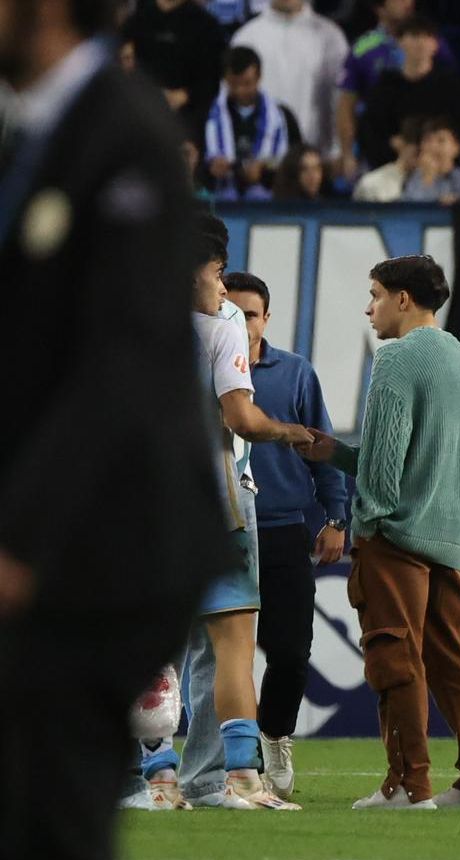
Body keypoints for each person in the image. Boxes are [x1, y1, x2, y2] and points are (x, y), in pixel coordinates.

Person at [0, 0, 233, 860]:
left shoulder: (124, 131)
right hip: (60, 532)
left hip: (108, 545)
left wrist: (23, 542)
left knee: (50, 837)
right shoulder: (32, 131)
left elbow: (119, 364)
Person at [299, 255, 460, 811]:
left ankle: (408, 785)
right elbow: (430, 455)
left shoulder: (394, 358)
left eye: (374, 295)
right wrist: (339, 454)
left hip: (397, 538)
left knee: (394, 660)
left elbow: (388, 471)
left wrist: (363, 521)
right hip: (451, 537)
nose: (368, 308)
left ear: (402, 299)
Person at [185, 215, 313, 813]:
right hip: (214, 492)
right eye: (216, 272)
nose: (220, 285)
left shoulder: (116, 308)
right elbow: (240, 419)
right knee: (232, 644)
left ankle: (156, 780)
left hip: (133, 493)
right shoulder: (224, 320)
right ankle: (236, 779)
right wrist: (287, 430)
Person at [224, 271, 347, 799]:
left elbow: (322, 446)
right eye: (231, 310)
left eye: (249, 313)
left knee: (291, 650)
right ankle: (235, 761)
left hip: (280, 529)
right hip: (221, 530)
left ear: (266, 318)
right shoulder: (203, 369)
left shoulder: (294, 373)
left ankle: (275, 737)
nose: (241, 321)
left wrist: (338, 517)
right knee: (223, 655)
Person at [230, 0, 349, 157]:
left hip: (317, 161)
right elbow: (232, 104)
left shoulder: (331, 37)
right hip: (261, 161)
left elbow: (340, 100)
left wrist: (337, 151)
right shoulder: (246, 38)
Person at [357, 17, 460, 171]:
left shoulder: (452, 89)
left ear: (435, 44)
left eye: (427, 37)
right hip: (392, 168)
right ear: (400, 42)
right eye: (414, 36)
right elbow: (371, 133)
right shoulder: (384, 88)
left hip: (442, 171)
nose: (421, 43)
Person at [204, 46, 301, 202]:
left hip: (270, 198)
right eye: (234, 84)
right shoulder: (209, 116)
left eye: (247, 83)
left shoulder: (282, 117)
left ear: (259, 78)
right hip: (220, 195)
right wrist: (211, 167)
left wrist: (265, 170)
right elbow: (197, 158)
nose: (241, 90)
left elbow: (296, 161)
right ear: (225, 80)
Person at [122, 0, 224, 137]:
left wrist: (185, 95)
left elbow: (213, 79)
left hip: (188, 121)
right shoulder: (136, 22)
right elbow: (120, 65)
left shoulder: (206, 26)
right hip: (138, 117)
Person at [400, 117, 460, 203]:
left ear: (456, 147)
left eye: (441, 140)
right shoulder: (412, 180)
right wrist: (429, 177)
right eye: (428, 140)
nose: (433, 147)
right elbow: (413, 210)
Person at [353, 115, 423, 201]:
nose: (422, 158)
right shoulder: (371, 184)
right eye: (417, 152)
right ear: (399, 143)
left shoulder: (439, 187)